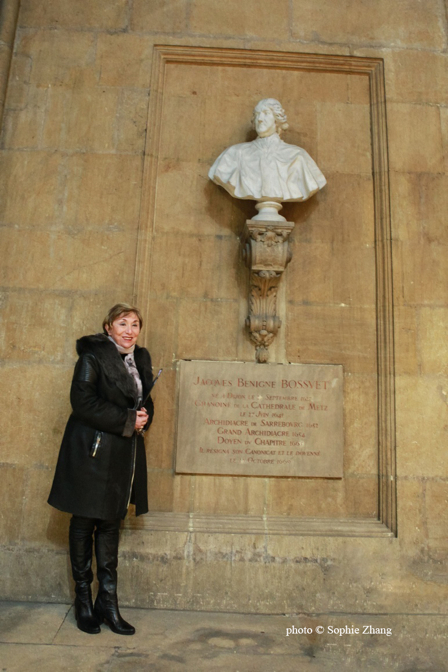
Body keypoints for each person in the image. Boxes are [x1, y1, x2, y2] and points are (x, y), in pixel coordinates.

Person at [48, 303, 154, 636]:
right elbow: (82, 401)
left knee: (111, 522)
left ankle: (107, 603)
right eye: (123, 323)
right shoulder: (92, 357)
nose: (130, 330)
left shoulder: (140, 360)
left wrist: (145, 415)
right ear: (108, 327)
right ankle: (83, 599)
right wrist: (126, 420)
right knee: (84, 520)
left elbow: (141, 399)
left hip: (123, 453)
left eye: (135, 324)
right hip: (91, 452)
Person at [208, 98, 326, 203]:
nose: (259, 119)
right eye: (257, 114)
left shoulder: (298, 156)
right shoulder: (235, 153)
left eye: (266, 113)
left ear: (277, 119)